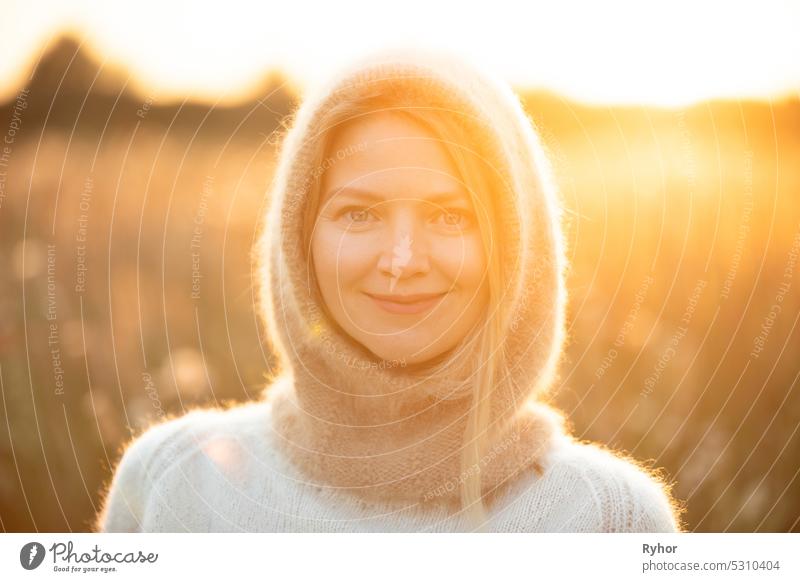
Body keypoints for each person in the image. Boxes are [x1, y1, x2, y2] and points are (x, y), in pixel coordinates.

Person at [97, 48, 683, 533]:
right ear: (300, 242)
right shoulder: (170, 482)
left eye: (451, 217)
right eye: (358, 214)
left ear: (517, 248)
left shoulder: (613, 521)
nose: (402, 261)